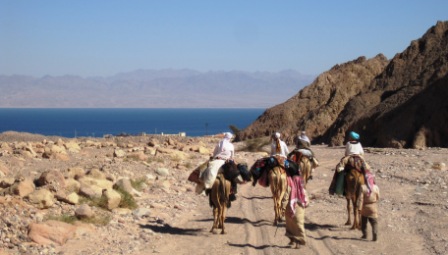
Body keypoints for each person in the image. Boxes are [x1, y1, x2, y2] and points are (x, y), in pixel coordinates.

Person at [284, 174, 308, 249]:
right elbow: (306, 202)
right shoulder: (303, 190)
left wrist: (282, 207)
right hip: (300, 210)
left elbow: (285, 198)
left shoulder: (289, 189)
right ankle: (299, 240)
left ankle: (293, 239)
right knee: (299, 225)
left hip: (289, 210)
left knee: (290, 225)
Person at [357, 176, 380, 242]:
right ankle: (375, 233)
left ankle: (365, 234)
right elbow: (378, 197)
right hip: (373, 206)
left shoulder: (363, 187)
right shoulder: (376, 187)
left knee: (364, 222)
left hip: (365, 207)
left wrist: (359, 208)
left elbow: (361, 199)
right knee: (374, 222)